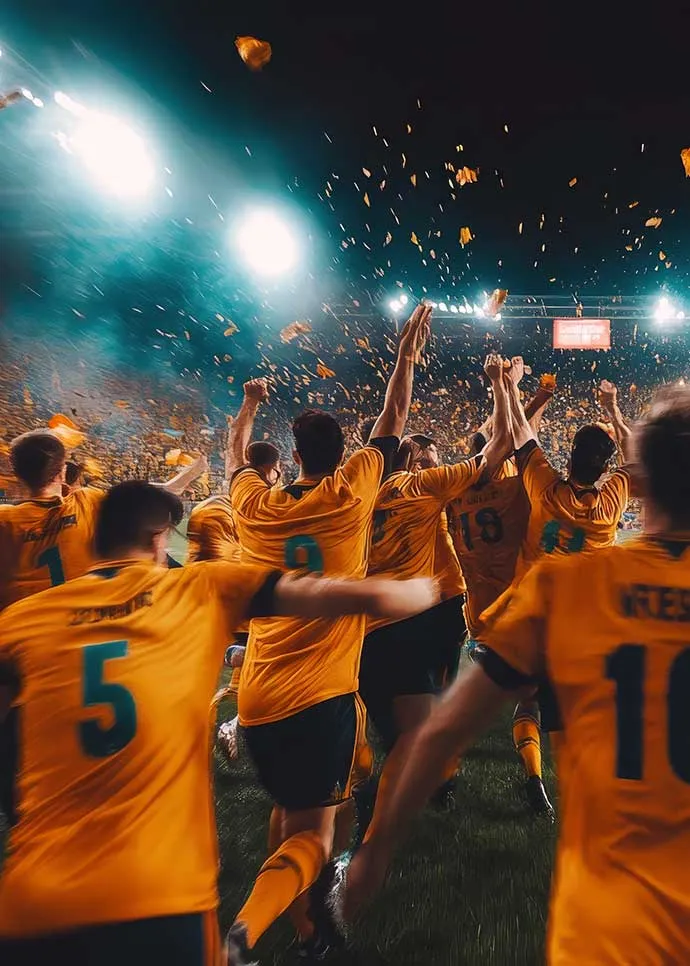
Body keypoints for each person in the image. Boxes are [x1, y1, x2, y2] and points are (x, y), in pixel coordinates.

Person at [322, 385, 690, 966]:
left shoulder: (563, 572)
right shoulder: (612, 496)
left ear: (644, 481)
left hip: (609, 927)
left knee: (532, 712)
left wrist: (375, 854)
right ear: (628, 483)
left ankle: (548, 782)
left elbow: (441, 734)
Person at [0, 481, 438, 966]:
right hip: (160, 897)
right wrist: (418, 589)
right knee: (314, 829)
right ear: (158, 540)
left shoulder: (21, 619)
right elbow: (349, 596)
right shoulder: (199, 586)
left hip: (32, 904)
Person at [225, 303, 431, 964]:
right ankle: (242, 936)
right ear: (344, 456)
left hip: (255, 694)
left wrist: (249, 407)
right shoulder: (352, 491)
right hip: (321, 697)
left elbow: (233, 455)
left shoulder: (254, 503)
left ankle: (308, 928)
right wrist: (404, 356)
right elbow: (392, 422)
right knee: (319, 829)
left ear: (290, 458)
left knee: (289, 812)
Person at [0, 431, 206, 824]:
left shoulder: (5, 523)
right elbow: (153, 495)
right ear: (62, 471)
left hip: (27, 661)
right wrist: (192, 474)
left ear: (14, 474)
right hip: (96, 653)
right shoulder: (90, 502)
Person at [355, 354, 510, 832]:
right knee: (430, 702)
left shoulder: (345, 491)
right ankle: (418, 783)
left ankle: (376, 779)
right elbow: (495, 448)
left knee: (385, 707)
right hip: (431, 609)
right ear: (408, 455)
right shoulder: (426, 487)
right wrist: (505, 387)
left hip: (371, 618)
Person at [447, 360, 555, 814]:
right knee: (528, 704)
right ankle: (534, 780)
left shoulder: (449, 495)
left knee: (467, 705)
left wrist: (523, 395)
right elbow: (520, 441)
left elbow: (509, 439)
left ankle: (445, 776)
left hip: (479, 621)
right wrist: (519, 391)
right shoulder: (518, 493)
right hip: (521, 616)